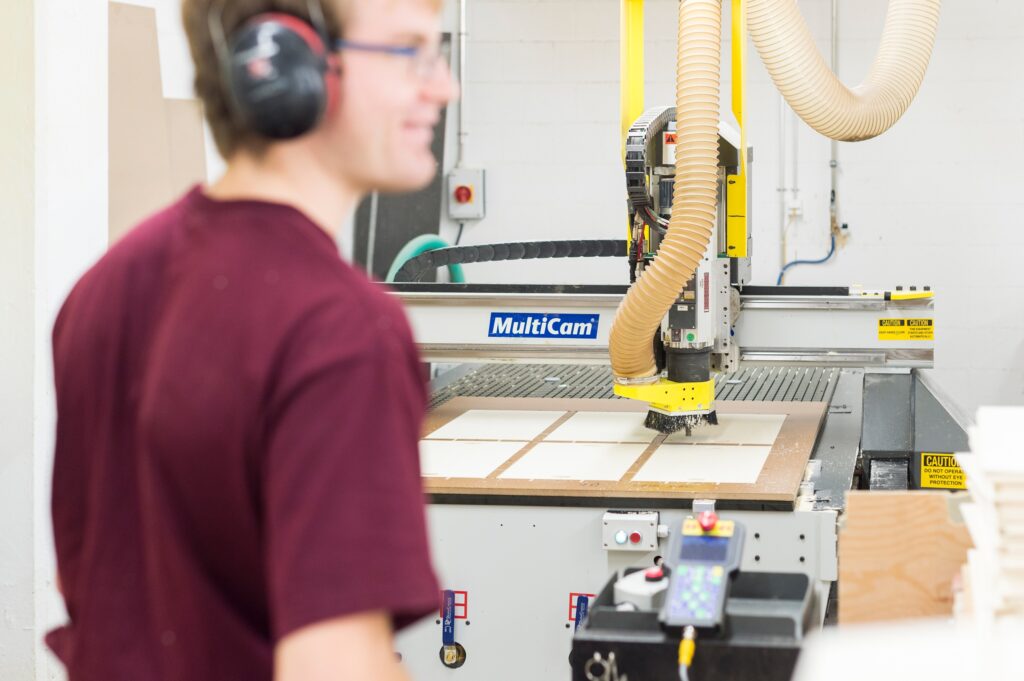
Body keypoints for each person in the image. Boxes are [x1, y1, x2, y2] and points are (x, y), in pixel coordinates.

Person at [47, 0, 458, 679]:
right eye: (409, 50)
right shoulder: (340, 329)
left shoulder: (104, 288)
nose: (443, 86)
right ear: (291, 58)